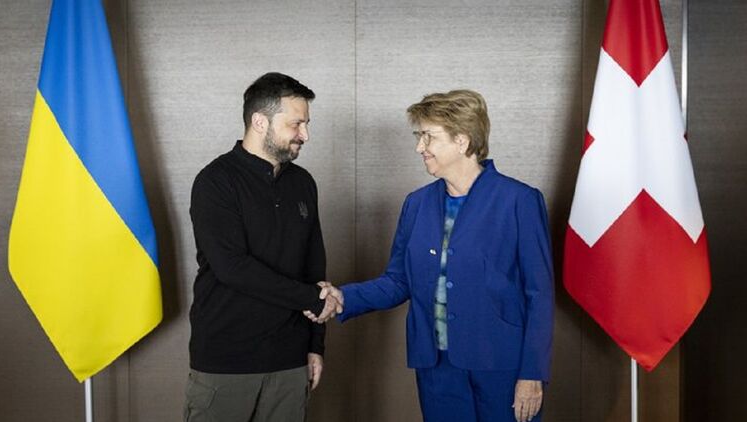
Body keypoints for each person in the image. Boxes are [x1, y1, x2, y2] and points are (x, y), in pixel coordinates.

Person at [307, 90, 554, 422]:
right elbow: (398, 281)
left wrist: (533, 373)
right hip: (436, 367)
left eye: (428, 137)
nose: (419, 147)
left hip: (502, 367)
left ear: (462, 141)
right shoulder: (416, 203)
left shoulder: (519, 201)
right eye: (418, 136)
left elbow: (539, 294)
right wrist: (343, 297)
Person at [185, 72, 340, 422]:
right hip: (226, 363)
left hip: (290, 362)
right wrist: (312, 299)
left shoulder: (303, 183)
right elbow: (232, 268)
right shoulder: (215, 181)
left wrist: (315, 345)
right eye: (296, 124)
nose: (305, 135)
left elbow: (314, 269)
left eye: (306, 124)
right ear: (259, 122)